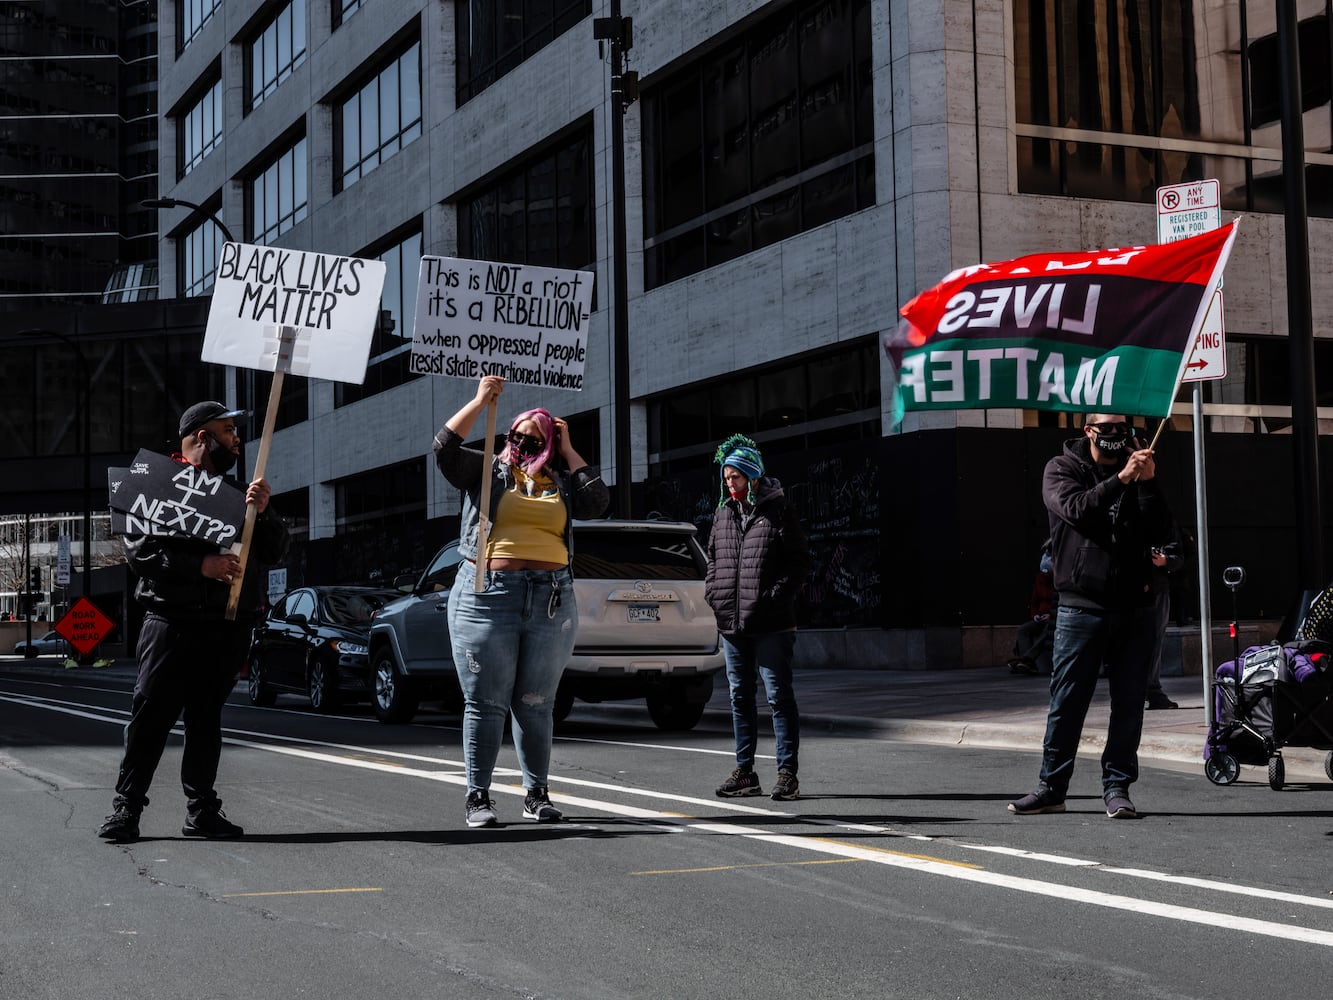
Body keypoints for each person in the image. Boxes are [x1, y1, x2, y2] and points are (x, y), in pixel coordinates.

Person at [98, 401, 289, 843]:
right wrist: (201, 565)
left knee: (206, 718)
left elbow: (276, 552)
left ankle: (201, 810)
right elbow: (139, 552)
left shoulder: (241, 495)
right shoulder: (154, 486)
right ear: (203, 438)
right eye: (227, 431)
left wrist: (266, 512)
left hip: (226, 625)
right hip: (171, 621)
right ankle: (126, 810)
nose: (236, 439)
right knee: (151, 717)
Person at [434, 375, 609, 828]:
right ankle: (478, 797)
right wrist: (479, 401)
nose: (524, 444)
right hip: (490, 594)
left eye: (536, 438)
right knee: (486, 701)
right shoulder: (489, 469)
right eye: (518, 436)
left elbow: (598, 501)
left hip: (551, 597)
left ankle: (537, 795)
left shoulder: (561, 481)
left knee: (535, 702)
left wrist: (568, 448)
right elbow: (444, 451)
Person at [1008, 414, 1172, 820]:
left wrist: (1148, 482)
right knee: (1067, 701)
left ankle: (1117, 787)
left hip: (1135, 607)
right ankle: (1052, 787)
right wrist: (1121, 480)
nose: (1117, 435)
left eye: (1124, 427)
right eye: (1108, 427)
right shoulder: (1061, 468)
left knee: (1130, 703)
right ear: (1089, 430)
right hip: (1081, 607)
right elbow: (1078, 509)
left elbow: (1162, 528)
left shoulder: (1138, 465)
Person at [706, 434, 810, 802]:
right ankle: (745, 772)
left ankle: (787, 774)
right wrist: (714, 595)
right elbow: (714, 559)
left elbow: (799, 563)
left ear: (751, 477)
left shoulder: (778, 510)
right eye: (726, 478)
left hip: (772, 624)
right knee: (740, 697)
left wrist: (771, 598)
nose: (729, 484)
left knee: (778, 696)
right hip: (733, 625)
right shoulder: (722, 514)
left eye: (734, 477)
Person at [1145, 534, 1185, 709]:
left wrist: (1165, 560)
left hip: (1156, 589)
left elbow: (1180, 556)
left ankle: (1152, 691)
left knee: (1154, 641)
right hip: (1130, 587)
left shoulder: (1163, 522)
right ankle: (1146, 690)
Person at [1008, 541, 1056, 676]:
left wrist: (1051, 615)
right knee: (1023, 630)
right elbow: (1034, 601)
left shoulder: (1058, 580)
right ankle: (1026, 662)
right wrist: (1035, 615)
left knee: (1048, 629)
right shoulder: (1040, 579)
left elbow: (1059, 602)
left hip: (1053, 617)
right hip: (1041, 616)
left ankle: (1027, 659)